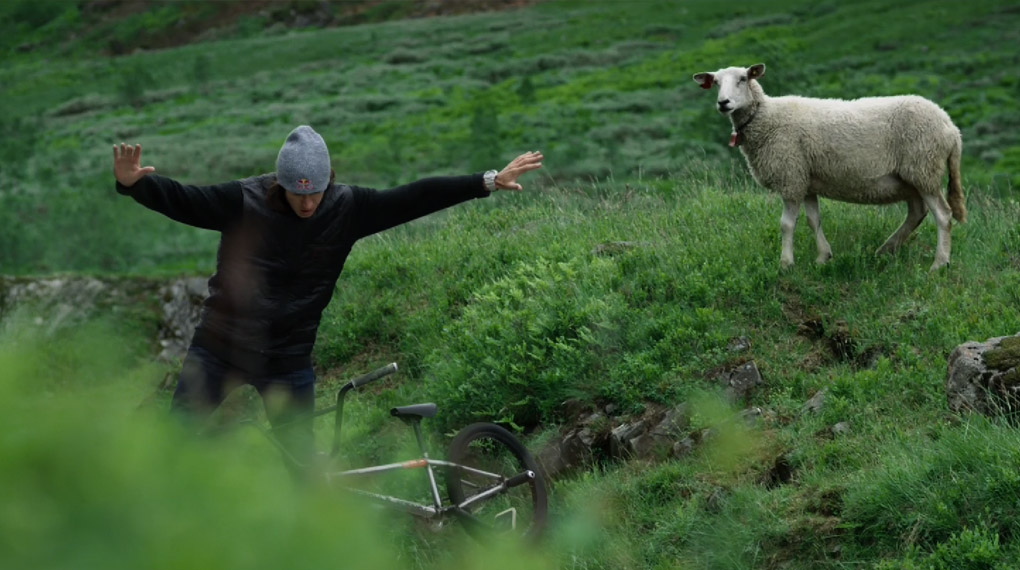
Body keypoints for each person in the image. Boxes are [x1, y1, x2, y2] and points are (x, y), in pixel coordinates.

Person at [113, 125, 543, 466]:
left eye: (315, 191)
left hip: (288, 358)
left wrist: (487, 180)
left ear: (328, 181)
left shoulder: (347, 208)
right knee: (172, 447)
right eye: (298, 193)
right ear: (281, 185)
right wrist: (136, 185)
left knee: (303, 469)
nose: (307, 203)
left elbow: (413, 196)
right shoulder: (242, 201)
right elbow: (185, 199)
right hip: (219, 348)